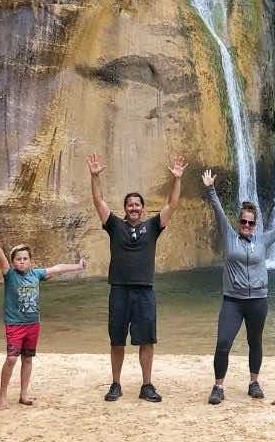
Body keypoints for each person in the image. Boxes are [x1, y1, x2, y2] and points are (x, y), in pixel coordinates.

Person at [202, 169, 275, 404]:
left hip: (258, 301)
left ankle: (254, 382)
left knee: (255, 342)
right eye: (243, 221)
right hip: (233, 301)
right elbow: (218, 211)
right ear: (238, 221)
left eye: (250, 222)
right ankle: (218, 387)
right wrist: (210, 188)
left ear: (255, 223)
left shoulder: (262, 239)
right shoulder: (230, 236)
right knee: (223, 343)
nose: (247, 225)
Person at [87, 153, 187, 403]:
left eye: (137, 204)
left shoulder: (153, 226)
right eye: (130, 204)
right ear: (125, 209)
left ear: (143, 209)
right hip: (119, 290)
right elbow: (97, 200)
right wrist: (95, 176)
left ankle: (147, 385)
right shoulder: (114, 225)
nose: (134, 208)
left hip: (144, 291)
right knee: (117, 340)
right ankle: (116, 384)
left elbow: (172, 205)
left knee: (147, 341)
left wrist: (177, 179)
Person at [0, 231, 86, 410]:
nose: (22, 261)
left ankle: (23, 394)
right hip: (15, 324)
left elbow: (57, 268)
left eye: (25, 258)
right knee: (11, 359)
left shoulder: (36, 274)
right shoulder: (10, 275)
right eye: (18, 259)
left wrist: (77, 267)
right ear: (13, 262)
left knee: (27, 359)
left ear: (30, 260)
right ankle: (2, 395)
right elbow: (2, 260)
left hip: (33, 325)